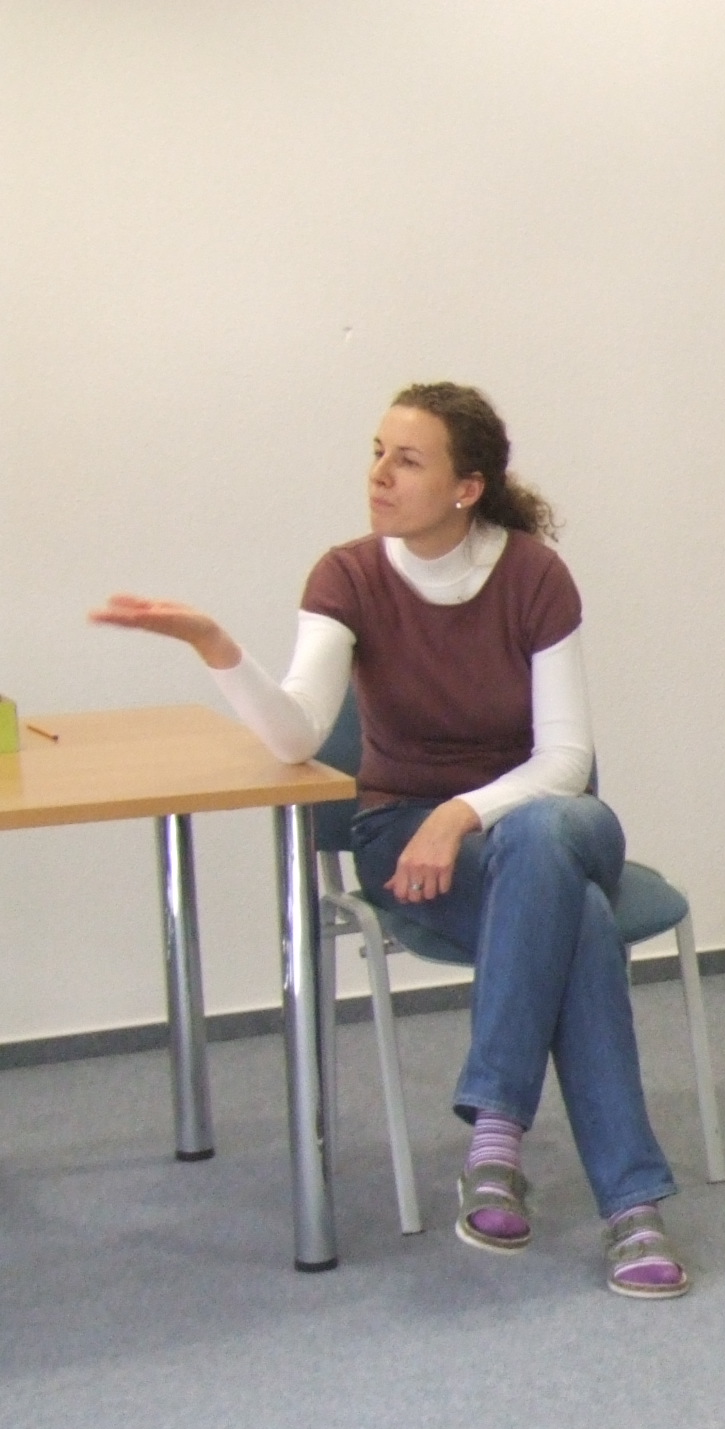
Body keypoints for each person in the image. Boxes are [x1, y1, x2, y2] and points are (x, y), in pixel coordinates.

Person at [91, 383, 692, 1299]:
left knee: (543, 837)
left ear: (466, 488)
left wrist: (458, 815)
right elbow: (297, 734)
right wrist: (215, 645)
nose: (379, 474)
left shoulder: (534, 575)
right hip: (401, 832)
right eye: (376, 452)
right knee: (579, 922)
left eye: (406, 460)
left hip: (549, 819)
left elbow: (566, 762)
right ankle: (634, 1210)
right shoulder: (349, 577)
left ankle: (495, 1131)